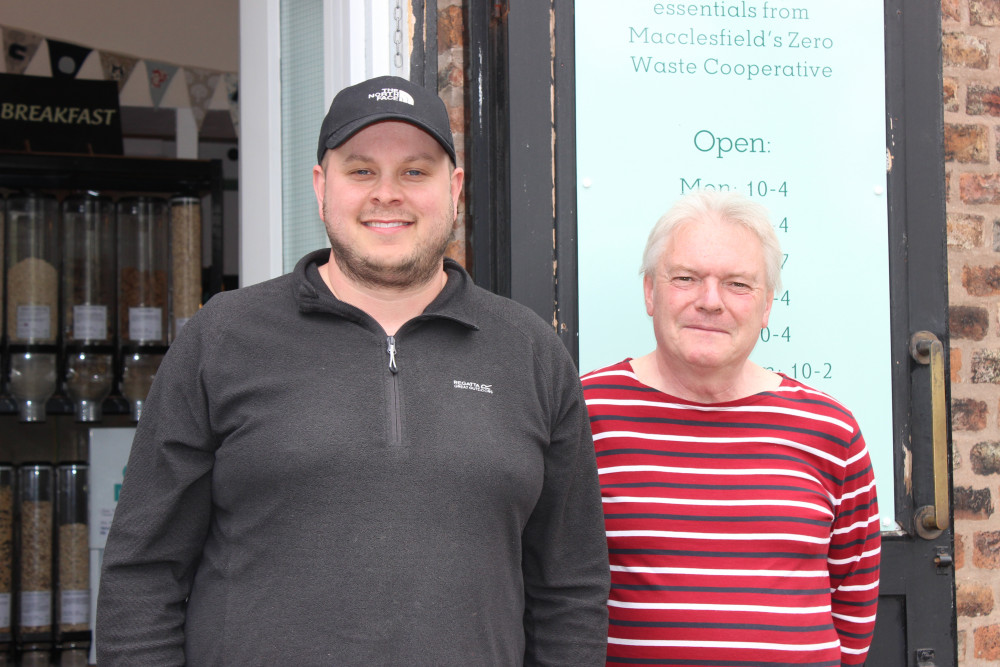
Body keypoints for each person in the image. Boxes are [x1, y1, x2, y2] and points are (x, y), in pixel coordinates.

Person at [97, 75, 610, 665]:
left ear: (455, 189)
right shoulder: (223, 336)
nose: (387, 193)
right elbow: (143, 570)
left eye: (415, 172)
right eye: (361, 170)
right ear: (321, 187)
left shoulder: (531, 352)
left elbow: (569, 585)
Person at [581, 190, 880, 665]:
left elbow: (855, 598)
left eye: (738, 284)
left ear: (765, 308)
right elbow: (549, 588)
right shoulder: (584, 416)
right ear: (649, 292)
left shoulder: (830, 430)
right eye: (686, 278)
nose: (711, 302)